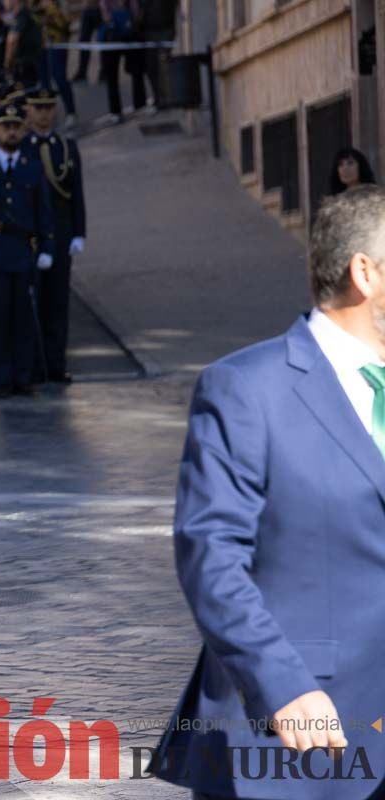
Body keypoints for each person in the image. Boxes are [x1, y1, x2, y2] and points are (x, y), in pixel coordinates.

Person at [153, 185, 385, 800]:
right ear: (365, 272)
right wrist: (284, 685)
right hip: (303, 732)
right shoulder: (247, 388)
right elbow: (210, 555)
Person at [0, 100, 53, 397]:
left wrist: (47, 247)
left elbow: (44, 210)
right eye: (6, 127)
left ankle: (23, 376)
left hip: (22, 250)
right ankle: (3, 377)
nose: (12, 132)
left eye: (16, 127)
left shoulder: (33, 166)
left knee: (23, 318)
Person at [24, 85, 84, 383]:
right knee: (31, 304)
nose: (44, 114)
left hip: (60, 234)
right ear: (29, 112)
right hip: (31, 236)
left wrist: (79, 231)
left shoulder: (66, 147)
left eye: (49, 108)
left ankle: (56, 364)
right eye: (39, 108)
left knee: (57, 303)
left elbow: (76, 193)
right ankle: (34, 366)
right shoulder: (22, 147)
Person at [32, 0, 75, 125]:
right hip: (40, 46)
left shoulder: (56, 4)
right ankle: (48, 114)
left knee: (59, 77)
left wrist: (49, 16)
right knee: (44, 82)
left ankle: (71, 112)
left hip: (57, 44)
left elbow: (66, 22)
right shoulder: (33, 4)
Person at [3, 0, 43, 86]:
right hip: (33, 64)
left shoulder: (22, 15)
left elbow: (12, 40)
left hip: (25, 67)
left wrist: (7, 64)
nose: (4, 2)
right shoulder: (28, 14)